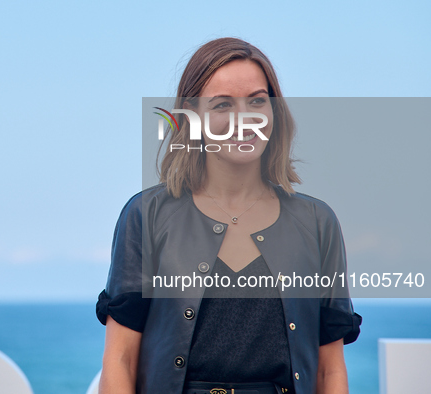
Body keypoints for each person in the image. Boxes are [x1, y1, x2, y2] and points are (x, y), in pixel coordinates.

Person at [96, 37, 362, 394]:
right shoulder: (146, 215)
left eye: (257, 100)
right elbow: (120, 361)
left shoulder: (318, 222)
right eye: (222, 104)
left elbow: (330, 372)